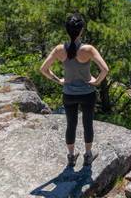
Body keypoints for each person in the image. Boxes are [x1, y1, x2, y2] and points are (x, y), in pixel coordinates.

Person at [40, 13, 109, 167]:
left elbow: (43, 69)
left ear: (67, 30)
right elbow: (105, 69)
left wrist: (58, 80)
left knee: (71, 124)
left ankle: (71, 157)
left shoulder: (59, 49)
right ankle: (88, 156)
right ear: (81, 30)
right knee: (87, 124)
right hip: (87, 93)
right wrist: (96, 82)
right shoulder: (88, 49)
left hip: (68, 94)